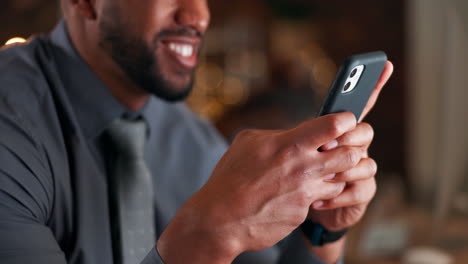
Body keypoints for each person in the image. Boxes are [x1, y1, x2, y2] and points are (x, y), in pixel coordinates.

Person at [0, 0, 393, 263]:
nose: (197, 16)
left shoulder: (187, 134)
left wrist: (320, 232)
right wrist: (207, 233)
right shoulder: (11, 129)